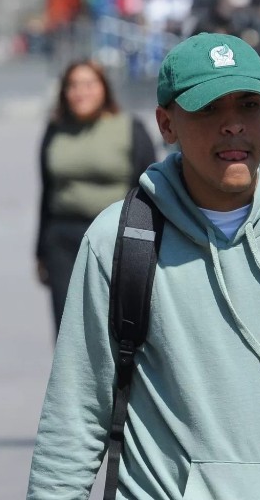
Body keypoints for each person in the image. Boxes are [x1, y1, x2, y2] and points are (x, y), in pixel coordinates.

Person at [27, 33, 260, 498]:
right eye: (209, 108)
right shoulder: (121, 239)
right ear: (166, 123)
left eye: (249, 105)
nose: (233, 125)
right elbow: (75, 419)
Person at [35, 60, 156, 335]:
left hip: (117, 237)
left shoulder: (129, 128)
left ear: (104, 89)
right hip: (64, 240)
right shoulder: (56, 130)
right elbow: (46, 192)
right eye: (73, 86)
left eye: (89, 84)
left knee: (117, 326)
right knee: (69, 327)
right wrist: (40, 250)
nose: (81, 92)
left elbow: (149, 189)